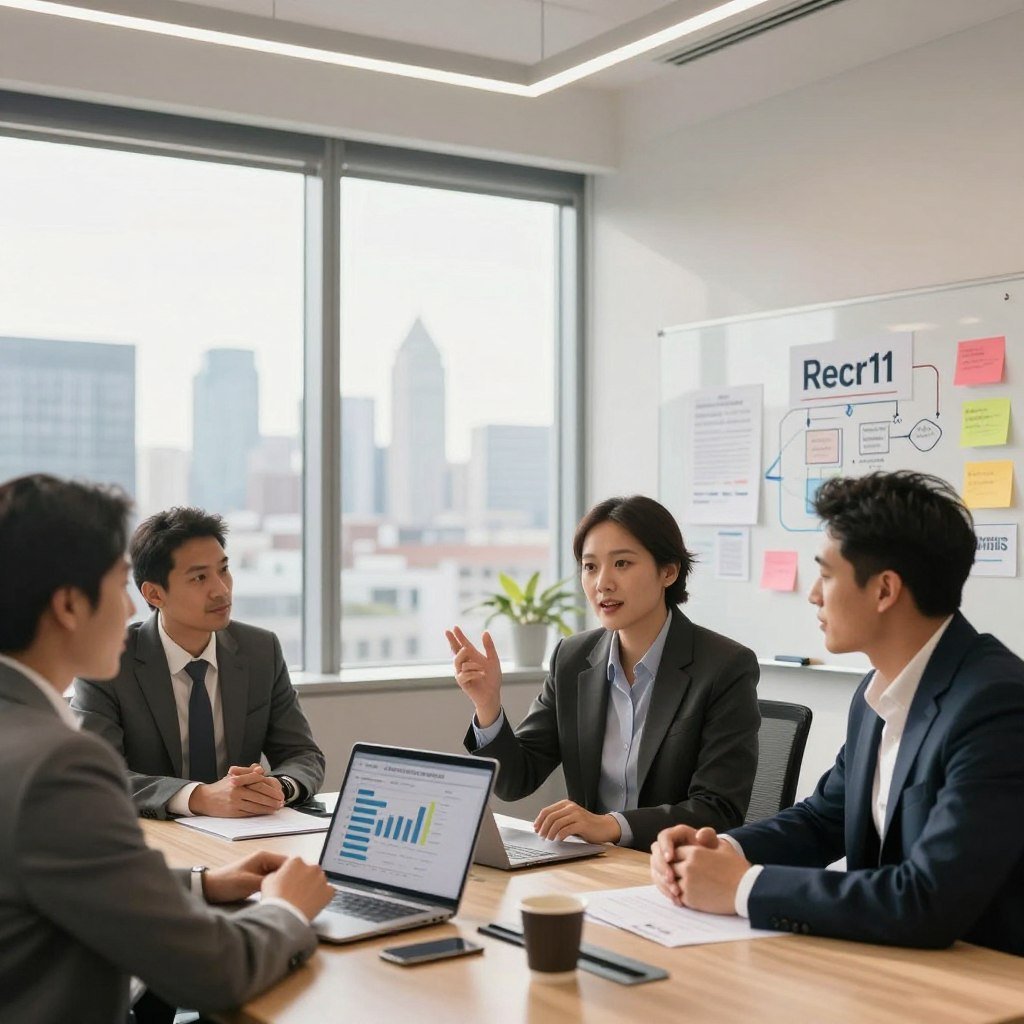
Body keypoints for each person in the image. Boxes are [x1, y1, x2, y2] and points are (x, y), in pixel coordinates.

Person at [0, 474, 334, 1023]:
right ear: (68, 605)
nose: (130, 603)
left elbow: (68, 877)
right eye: (117, 584)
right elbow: (216, 971)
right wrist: (286, 912)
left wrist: (203, 883)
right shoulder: (57, 764)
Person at [650, 471, 1024, 956]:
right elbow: (822, 821)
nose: (813, 595)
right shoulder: (877, 690)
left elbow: (928, 900)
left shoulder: (995, 705)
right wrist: (721, 850)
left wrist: (743, 888)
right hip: (890, 967)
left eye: (826, 574)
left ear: (885, 590)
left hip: (983, 984)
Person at [447, 494, 760, 853]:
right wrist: (488, 704)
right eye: (590, 566)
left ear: (668, 572)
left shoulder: (723, 666)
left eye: (622, 564)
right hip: (593, 868)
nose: (602, 583)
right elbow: (516, 780)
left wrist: (610, 825)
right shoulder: (573, 658)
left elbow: (718, 810)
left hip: (674, 869)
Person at [72, 506, 325, 819]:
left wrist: (280, 786)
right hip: (152, 838)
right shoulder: (106, 662)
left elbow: (302, 753)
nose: (221, 590)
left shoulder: (261, 650)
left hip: (244, 833)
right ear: (154, 594)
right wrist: (199, 797)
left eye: (224, 570)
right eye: (199, 577)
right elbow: (97, 776)